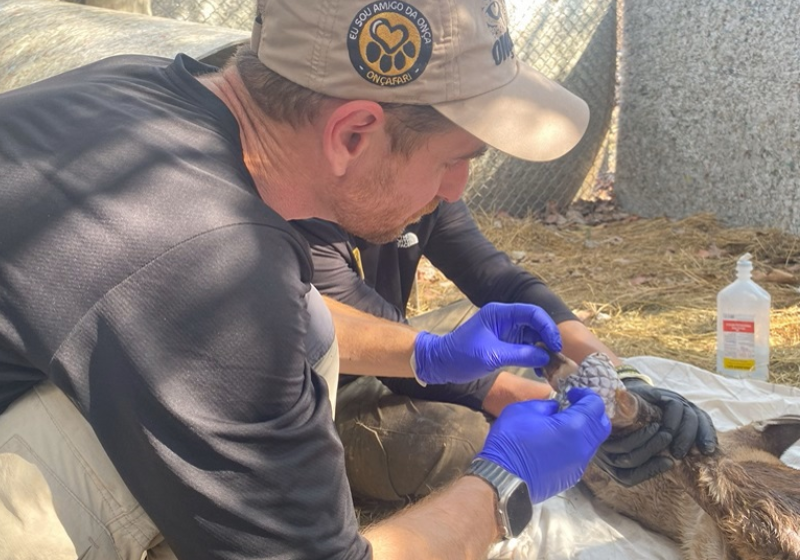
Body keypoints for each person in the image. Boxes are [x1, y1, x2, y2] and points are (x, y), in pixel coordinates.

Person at [0, 0, 622, 559]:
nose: (455, 191)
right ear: (352, 133)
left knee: (308, 329)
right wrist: (503, 485)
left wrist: (428, 353)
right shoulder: (211, 261)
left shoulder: (135, 83)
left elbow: (298, 313)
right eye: (456, 160)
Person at [292, 198, 718, 502]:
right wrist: (588, 415)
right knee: (467, 444)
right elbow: (379, 348)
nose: (457, 186)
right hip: (321, 382)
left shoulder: (428, 182)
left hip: (397, 336)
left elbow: (500, 278)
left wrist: (618, 377)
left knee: (516, 321)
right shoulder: (303, 204)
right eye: (449, 158)